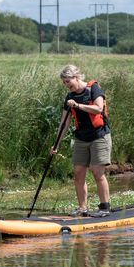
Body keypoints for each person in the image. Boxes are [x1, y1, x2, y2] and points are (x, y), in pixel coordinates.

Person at [50, 65, 112, 216]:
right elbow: (64, 123)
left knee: (97, 173)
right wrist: (56, 145)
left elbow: (98, 108)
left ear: (76, 77)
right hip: (81, 138)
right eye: (64, 82)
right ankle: (82, 208)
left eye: (68, 81)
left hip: (99, 136)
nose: (66, 85)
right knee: (78, 173)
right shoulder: (69, 97)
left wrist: (77, 105)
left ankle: (105, 208)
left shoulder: (94, 89)